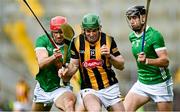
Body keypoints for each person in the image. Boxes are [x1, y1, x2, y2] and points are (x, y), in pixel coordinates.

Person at [59, 13, 125, 111]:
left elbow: (121, 65)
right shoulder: (76, 42)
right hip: (89, 89)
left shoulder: (108, 40)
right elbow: (74, 65)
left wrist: (110, 56)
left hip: (110, 87)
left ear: (99, 28)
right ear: (83, 30)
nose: (91, 34)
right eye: (88, 31)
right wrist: (65, 73)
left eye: (94, 31)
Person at [123, 5, 173, 111]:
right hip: (142, 83)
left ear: (143, 18)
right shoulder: (132, 36)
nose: (131, 21)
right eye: (130, 18)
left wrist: (147, 60)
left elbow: (165, 61)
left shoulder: (155, 35)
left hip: (161, 84)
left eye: (134, 18)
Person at [32, 16, 76, 111]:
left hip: (60, 87)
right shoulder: (43, 40)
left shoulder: (72, 46)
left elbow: (71, 69)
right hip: (43, 87)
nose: (59, 35)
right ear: (52, 31)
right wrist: (53, 57)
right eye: (56, 32)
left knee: (69, 104)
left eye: (61, 32)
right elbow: (41, 63)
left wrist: (66, 71)